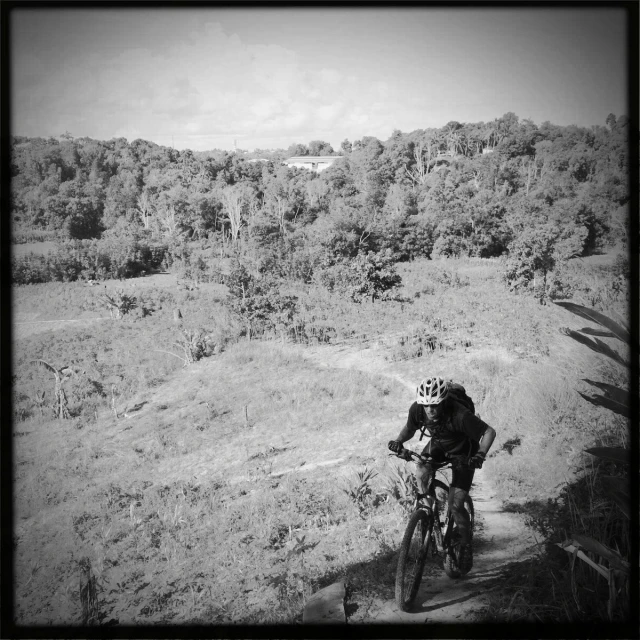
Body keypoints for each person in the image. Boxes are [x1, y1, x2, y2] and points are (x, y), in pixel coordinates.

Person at [388, 376, 496, 573]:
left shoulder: (460, 415)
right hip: (439, 445)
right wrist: (398, 442)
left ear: (444, 401)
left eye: (435, 405)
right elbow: (410, 428)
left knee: (456, 504)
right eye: (426, 405)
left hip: (465, 453)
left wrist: (479, 456)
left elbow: (489, 432)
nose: (430, 410)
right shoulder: (418, 409)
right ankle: (427, 513)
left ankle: (464, 542)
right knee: (421, 470)